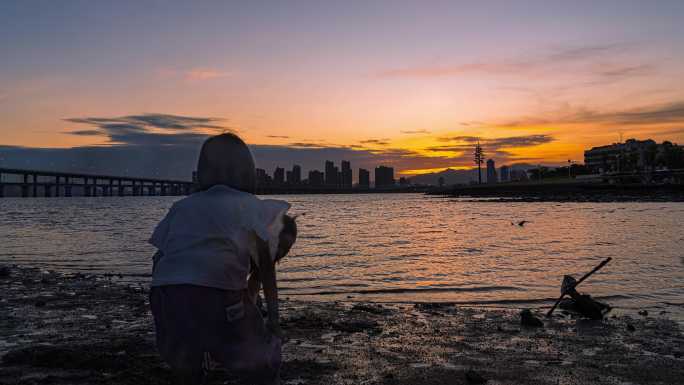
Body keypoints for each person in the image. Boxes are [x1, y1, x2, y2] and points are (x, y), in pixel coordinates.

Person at [148, 133, 296, 385]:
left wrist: (168, 300)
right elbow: (267, 271)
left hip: (165, 295)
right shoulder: (250, 205)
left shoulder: (182, 206)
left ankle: (192, 367)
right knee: (258, 359)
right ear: (248, 171)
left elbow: (159, 258)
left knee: (187, 357)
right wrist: (273, 321)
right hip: (216, 297)